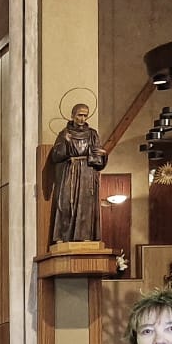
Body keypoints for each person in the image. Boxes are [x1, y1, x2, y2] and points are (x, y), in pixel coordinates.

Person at [44, 102, 108, 245]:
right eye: (79, 115)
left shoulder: (92, 134)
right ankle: (63, 237)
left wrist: (103, 154)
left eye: (85, 115)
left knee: (86, 205)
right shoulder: (65, 134)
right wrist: (66, 144)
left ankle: (85, 236)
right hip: (70, 172)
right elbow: (55, 156)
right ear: (73, 115)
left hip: (87, 172)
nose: (82, 118)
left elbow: (98, 157)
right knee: (66, 202)